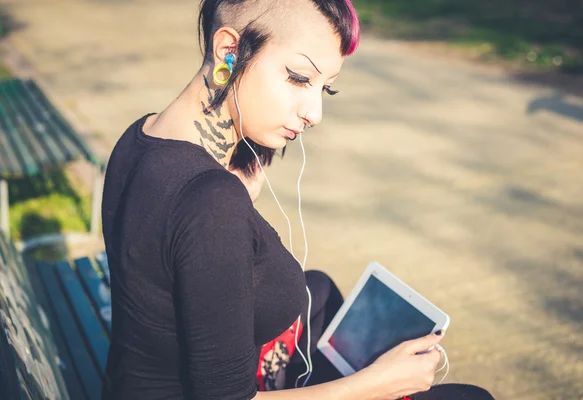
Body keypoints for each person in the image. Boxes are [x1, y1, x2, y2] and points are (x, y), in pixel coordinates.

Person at [100, 0, 496, 399]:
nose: (315, 112)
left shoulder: (144, 135)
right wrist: (378, 383)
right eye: (298, 77)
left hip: (130, 379)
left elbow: (183, 250)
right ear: (228, 51)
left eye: (326, 87)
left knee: (318, 291)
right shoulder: (213, 201)